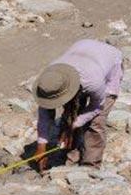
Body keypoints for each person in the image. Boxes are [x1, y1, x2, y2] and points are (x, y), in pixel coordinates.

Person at [33, 39, 123, 171]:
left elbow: (97, 106)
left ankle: (90, 166)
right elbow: (45, 115)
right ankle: (70, 155)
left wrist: (75, 124)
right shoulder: (50, 81)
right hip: (83, 52)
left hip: (110, 62)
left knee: (96, 123)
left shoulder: (93, 82)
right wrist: (41, 146)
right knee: (70, 115)